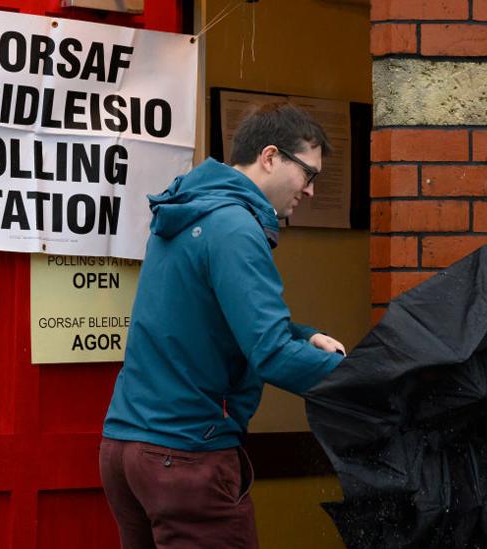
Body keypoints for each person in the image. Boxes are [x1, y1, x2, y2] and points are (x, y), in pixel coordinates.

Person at [99, 103, 346, 549]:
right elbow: (269, 353)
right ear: (270, 157)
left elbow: (221, 319)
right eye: (309, 175)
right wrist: (366, 378)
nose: (310, 191)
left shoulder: (190, 210)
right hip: (185, 454)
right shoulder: (235, 227)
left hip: (126, 446)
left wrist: (303, 334)